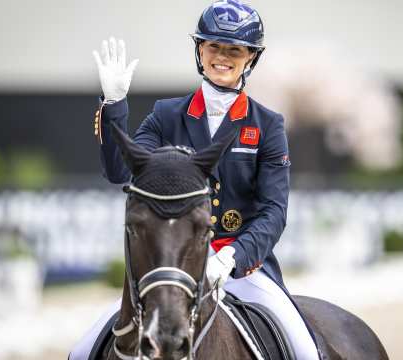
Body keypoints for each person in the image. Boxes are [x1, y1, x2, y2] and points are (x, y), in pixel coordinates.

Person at [71, 1, 320, 359]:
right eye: (214, 46)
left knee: (305, 351)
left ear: (250, 57)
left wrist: (231, 257)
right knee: (82, 352)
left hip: (243, 273)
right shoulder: (167, 116)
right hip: (169, 267)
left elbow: (274, 212)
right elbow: (119, 172)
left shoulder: (267, 126)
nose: (223, 56)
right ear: (200, 51)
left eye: (234, 49)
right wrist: (115, 103)